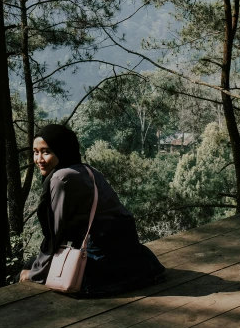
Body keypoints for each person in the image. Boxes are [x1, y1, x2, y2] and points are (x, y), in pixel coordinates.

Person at [19, 124, 166, 296]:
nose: (39, 159)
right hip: (127, 254)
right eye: (36, 152)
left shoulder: (61, 178)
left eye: (46, 152)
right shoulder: (87, 170)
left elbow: (55, 234)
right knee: (32, 262)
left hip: (99, 261)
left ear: (61, 150)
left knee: (24, 270)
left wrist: (35, 273)